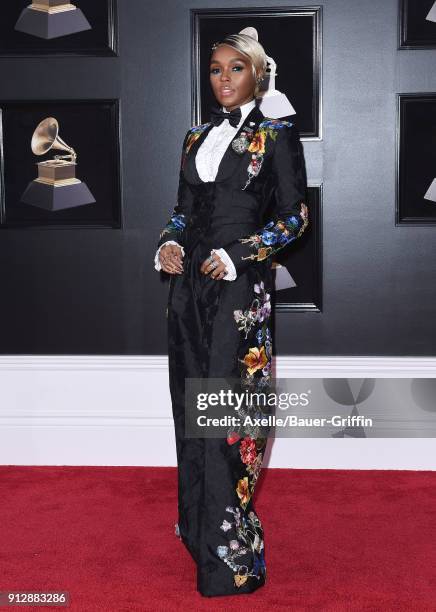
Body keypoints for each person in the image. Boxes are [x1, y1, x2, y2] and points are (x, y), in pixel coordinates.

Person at [154, 32, 309, 597]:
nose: (222, 78)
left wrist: (238, 255)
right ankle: (197, 534)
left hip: (239, 295)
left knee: (227, 418)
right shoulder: (196, 135)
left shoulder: (277, 136)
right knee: (190, 409)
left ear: (257, 76)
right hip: (188, 292)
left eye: (235, 68)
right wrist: (169, 244)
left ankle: (233, 562)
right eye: (216, 69)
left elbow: (294, 219)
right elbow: (181, 211)